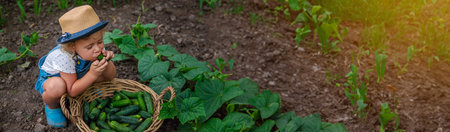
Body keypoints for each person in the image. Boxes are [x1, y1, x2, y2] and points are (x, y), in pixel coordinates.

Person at [34, 5, 116, 128]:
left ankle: (87, 91)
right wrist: (92, 74)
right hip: (56, 79)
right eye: (89, 47)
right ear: (72, 46)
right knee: (57, 87)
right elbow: (71, 91)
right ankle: (52, 106)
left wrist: (107, 61)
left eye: (100, 41)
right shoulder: (63, 57)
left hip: (78, 74)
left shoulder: (96, 48)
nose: (98, 48)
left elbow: (110, 76)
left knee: (101, 75)